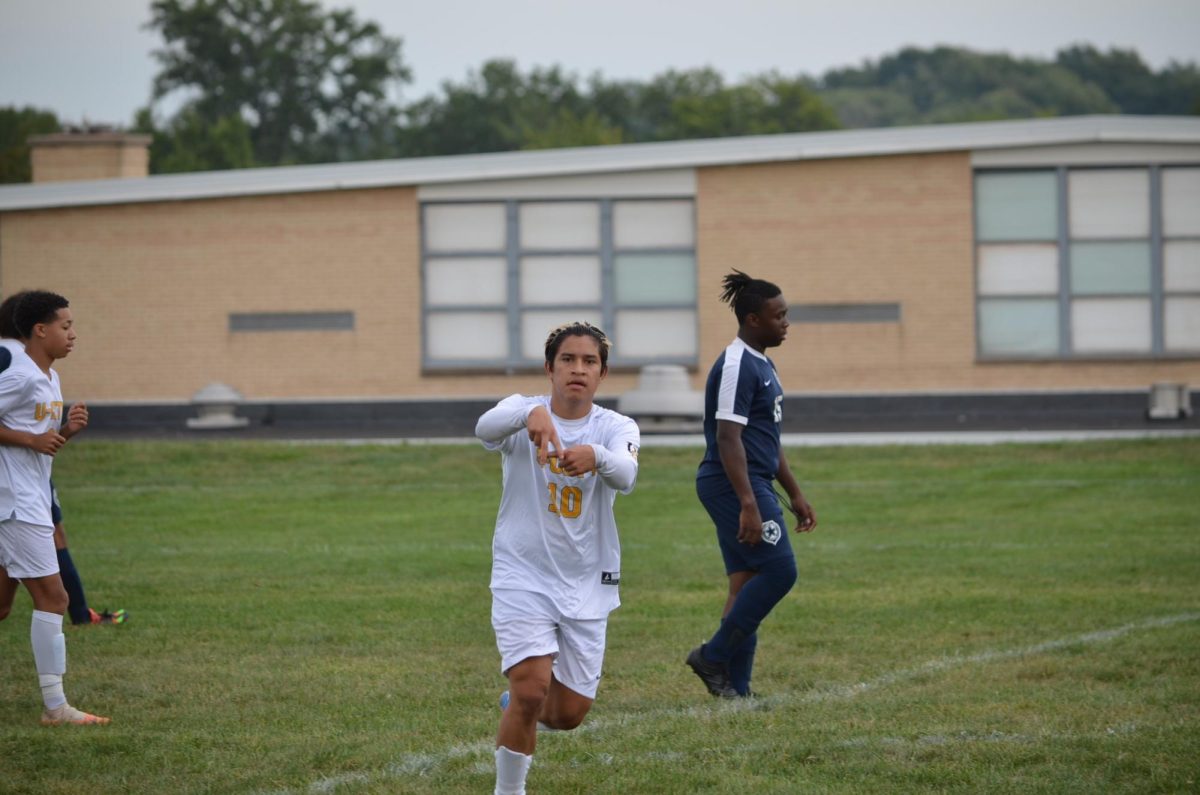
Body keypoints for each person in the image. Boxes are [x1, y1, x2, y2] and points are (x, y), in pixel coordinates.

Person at [475, 321, 640, 795]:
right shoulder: (520, 409)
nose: (578, 369)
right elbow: (483, 427)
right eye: (568, 360)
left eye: (589, 362)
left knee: (568, 715)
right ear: (550, 368)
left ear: (602, 375)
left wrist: (596, 457)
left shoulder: (614, 427)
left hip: (588, 580)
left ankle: (520, 704)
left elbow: (626, 474)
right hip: (522, 573)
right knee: (531, 690)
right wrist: (530, 414)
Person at [686, 270, 817, 699]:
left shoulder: (763, 362)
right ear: (753, 320)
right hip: (731, 483)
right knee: (780, 570)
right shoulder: (737, 364)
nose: (786, 323)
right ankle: (713, 656)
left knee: (745, 583)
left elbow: (767, 438)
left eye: (786, 315)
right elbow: (728, 437)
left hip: (751, 480)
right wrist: (747, 502)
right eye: (778, 316)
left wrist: (795, 492)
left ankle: (735, 689)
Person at [0, 290, 109, 725]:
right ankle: (55, 707)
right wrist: (30, 439)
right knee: (54, 597)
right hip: (15, 504)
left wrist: (67, 431)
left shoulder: (48, 378)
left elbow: (42, 449)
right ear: (39, 330)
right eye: (65, 326)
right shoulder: (20, 375)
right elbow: (27, 441)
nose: (73, 334)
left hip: (27, 497)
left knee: (2, 606)